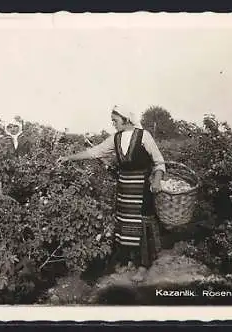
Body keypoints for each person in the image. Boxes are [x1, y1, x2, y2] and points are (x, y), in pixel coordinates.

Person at [57, 106, 165, 282]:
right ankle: (131, 259)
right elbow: (95, 151)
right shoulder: (116, 138)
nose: (113, 124)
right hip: (124, 188)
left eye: (115, 121)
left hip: (141, 188)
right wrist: (69, 158)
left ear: (126, 119)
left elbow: (159, 161)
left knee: (141, 225)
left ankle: (144, 265)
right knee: (125, 224)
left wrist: (157, 180)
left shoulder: (144, 135)